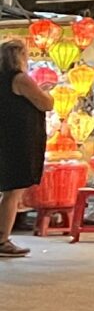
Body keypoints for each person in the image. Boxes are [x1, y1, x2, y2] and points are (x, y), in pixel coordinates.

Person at [0, 39, 46, 257]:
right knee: (13, 192)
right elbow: (46, 103)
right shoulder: (20, 79)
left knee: (9, 190)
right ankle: (2, 239)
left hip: (5, 136)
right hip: (16, 140)